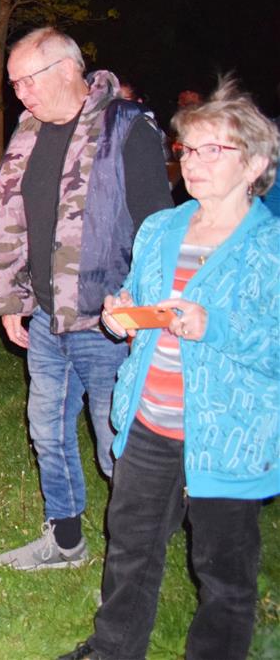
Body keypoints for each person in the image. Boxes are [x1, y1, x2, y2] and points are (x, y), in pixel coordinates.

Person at [58, 78, 279, 660]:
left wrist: (214, 326)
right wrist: (121, 315)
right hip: (150, 418)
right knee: (130, 546)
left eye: (213, 150)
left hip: (227, 433)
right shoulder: (161, 229)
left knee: (223, 571)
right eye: (188, 149)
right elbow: (138, 300)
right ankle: (113, 649)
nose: (193, 163)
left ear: (255, 162)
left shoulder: (270, 247)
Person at [0, 27, 172, 570]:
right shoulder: (29, 132)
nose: (21, 94)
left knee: (117, 442)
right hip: (46, 316)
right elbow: (16, 222)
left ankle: (139, 553)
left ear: (68, 69)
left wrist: (140, 310)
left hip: (107, 322)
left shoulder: (125, 128)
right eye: (15, 84)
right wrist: (13, 297)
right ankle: (65, 540)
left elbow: (157, 231)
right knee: (47, 431)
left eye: (28, 80)